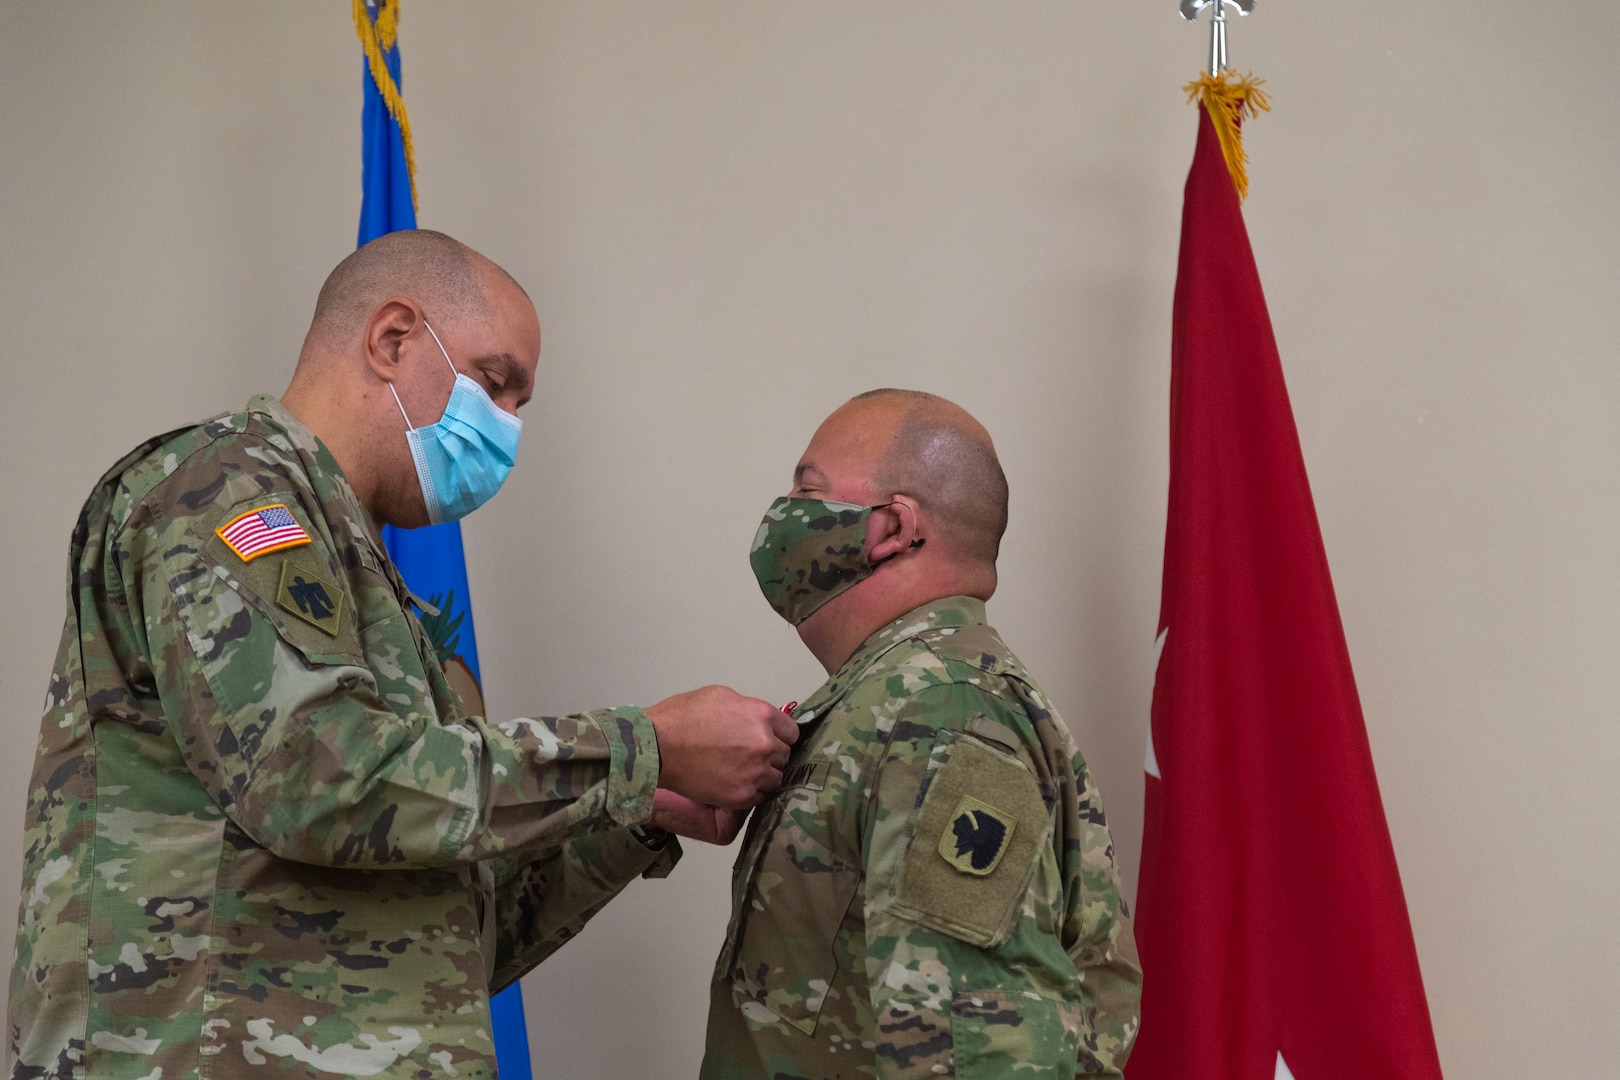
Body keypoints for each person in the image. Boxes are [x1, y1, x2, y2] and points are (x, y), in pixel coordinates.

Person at [9, 230, 794, 1078]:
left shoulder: (363, 565)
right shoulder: (224, 491)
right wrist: (643, 745)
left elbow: (446, 934)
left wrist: (638, 809)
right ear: (392, 338)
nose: (509, 429)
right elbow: (315, 781)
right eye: (497, 384)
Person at [702, 389, 1142, 1079]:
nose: (785, 511)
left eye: (806, 488)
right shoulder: (893, 701)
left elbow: (980, 1055)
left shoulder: (942, 713)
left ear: (890, 527)